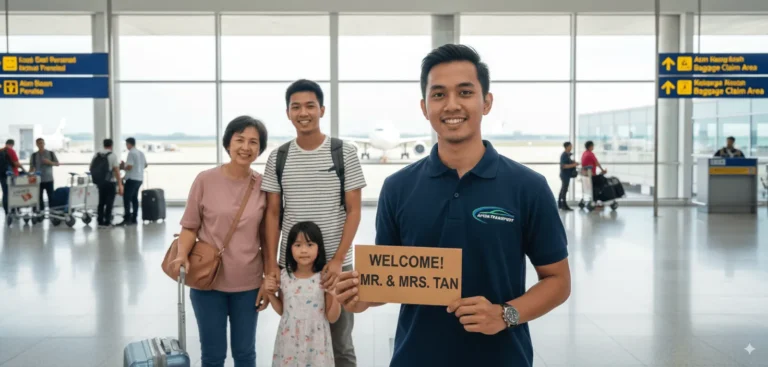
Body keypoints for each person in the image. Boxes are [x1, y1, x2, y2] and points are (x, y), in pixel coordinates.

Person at [333, 44, 571, 366]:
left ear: (486, 102)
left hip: (501, 357)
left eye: (465, 92)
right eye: (439, 94)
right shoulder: (398, 188)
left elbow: (558, 281)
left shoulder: (528, 187)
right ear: (424, 106)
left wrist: (505, 315)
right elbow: (393, 281)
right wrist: (362, 298)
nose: (452, 105)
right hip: (415, 356)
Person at [261, 79, 366, 366]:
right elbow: (272, 214)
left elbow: (354, 210)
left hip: (337, 265)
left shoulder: (344, 152)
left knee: (341, 342)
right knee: (297, 338)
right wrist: (271, 264)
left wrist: (337, 259)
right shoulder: (278, 157)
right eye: (296, 107)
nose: (303, 112)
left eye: (310, 106)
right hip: (295, 266)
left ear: (322, 110)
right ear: (288, 113)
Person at [167, 116, 270, 367]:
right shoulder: (205, 180)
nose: (246, 147)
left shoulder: (264, 185)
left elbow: (267, 237)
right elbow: (189, 226)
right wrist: (181, 255)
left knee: (245, 353)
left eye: (253, 142)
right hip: (207, 282)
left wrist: (269, 277)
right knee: (212, 355)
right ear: (228, 143)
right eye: (240, 140)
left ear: (259, 149)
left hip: (248, 283)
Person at [265, 221, 341, 367]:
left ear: (319, 248)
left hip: (316, 343)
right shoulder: (284, 276)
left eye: (310, 244)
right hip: (289, 342)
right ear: (290, 249)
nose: (304, 250)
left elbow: (332, 317)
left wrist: (335, 295)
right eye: (298, 245)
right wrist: (269, 294)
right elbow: (283, 311)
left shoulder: (324, 278)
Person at [92, 139, 123, 228]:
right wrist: (120, 184)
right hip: (110, 182)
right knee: (109, 202)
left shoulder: (97, 155)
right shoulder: (112, 156)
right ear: (111, 145)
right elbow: (116, 171)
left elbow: (91, 167)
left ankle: (100, 221)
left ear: (104, 145)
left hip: (100, 182)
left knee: (101, 202)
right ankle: (107, 221)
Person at [118, 137, 147, 226]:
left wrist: (123, 167)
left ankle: (127, 218)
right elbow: (145, 165)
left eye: (127, 144)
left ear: (129, 144)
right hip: (139, 179)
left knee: (127, 199)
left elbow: (130, 167)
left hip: (132, 179)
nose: (126, 146)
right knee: (134, 199)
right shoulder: (141, 153)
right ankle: (134, 218)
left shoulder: (131, 153)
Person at [29, 138, 59, 212]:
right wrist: (28, 175)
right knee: (39, 197)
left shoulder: (50, 153)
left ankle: (53, 212)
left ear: (44, 143)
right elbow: (31, 167)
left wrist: (50, 162)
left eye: (42, 143)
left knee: (51, 197)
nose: (41, 144)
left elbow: (57, 163)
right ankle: (40, 213)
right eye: (39, 143)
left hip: (49, 179)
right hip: (38, 180)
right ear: (36, 144)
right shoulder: (34, 155)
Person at [1, 139, 23, 215]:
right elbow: (16, 163)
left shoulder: (0, 150)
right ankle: (15, 209)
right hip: (13, 175)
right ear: (12, 144)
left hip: (3, 175)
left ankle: (7, 211)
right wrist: (23, 168)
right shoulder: (11, 151)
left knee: (5, 193)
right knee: (15, 192)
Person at [558, 141, 578, 211]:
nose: (571, 147)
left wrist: (573, 162)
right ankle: (564, 205)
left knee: (563, 189)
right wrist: (573, 165)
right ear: (567, 147)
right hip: (564, 175)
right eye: (570, 146)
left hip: (566, 175)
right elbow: (564, 166)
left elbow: (568, 163)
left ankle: (560, 204)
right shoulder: (564, 155)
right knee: (564, 190)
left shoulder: (567, 155)